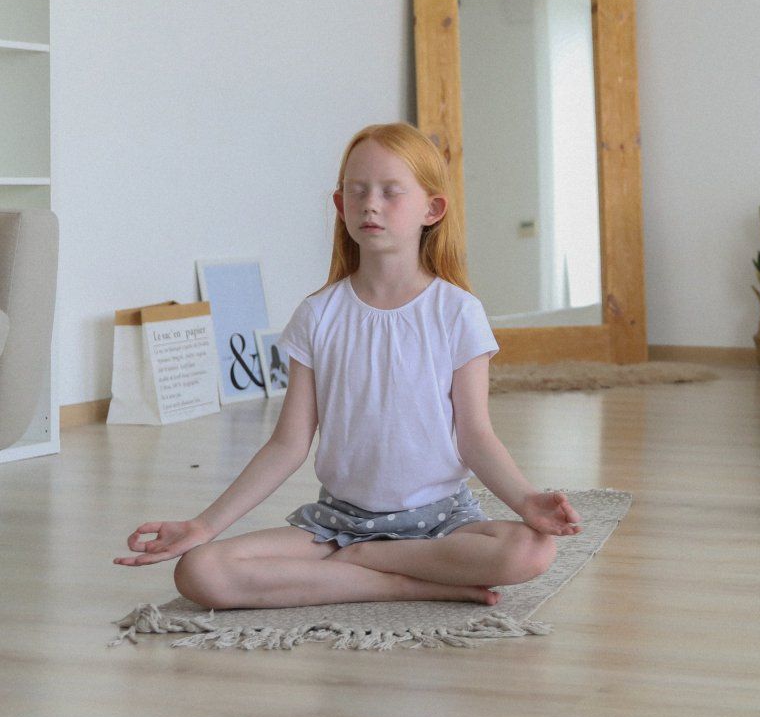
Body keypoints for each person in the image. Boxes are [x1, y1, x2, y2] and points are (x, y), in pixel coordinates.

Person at [116, 122, 580, 608]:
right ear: (340, 206)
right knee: (200, 571)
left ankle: (362, 566)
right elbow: (287, 444)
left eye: (389, 192)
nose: (370, 204)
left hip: (440, 525)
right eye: (356, 192)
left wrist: (526, 501)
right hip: (338, 526)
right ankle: (402, 583)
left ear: (432, 209)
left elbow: (476, 437)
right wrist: (204, 525)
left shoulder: (457, 312)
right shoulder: (318, 315)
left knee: (529, 551)